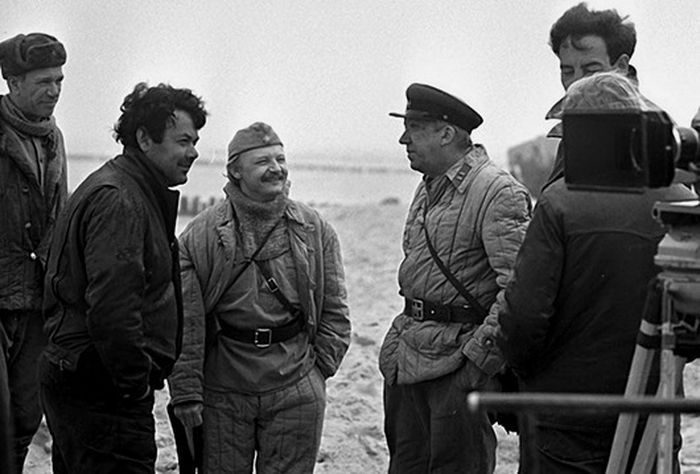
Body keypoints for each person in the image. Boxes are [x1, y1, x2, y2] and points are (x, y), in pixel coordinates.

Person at [496, 72, 697, 473]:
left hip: (567, 414)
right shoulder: (682, 202)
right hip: (654, 408)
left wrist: (522, 374)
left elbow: (523, 319)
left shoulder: (558, 204)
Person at [39, 82, 207, 473]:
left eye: (195, 142)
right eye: (183, 141)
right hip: (101, 390)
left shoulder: (126, 187)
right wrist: (134, 385)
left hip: (85, 379)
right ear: (144, 138)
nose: (194, 152)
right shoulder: (120, 199)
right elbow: (112, 309)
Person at [167, 121, 351, 473]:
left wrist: (317, 374)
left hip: (296, 387)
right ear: (236, 171)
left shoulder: (315, 229)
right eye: (263, 161)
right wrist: (187, 392)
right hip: (223, 392)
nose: (276, 168)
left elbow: (335, 311)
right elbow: (185, 321)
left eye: (280, 159)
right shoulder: (201, 235)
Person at [379, 83, 531, 473]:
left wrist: (476, 364)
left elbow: (518, 291)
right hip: (407, 359)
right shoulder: (429, 185)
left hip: (457, 364)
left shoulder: (497, 192)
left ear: (446, 133)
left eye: (414, 128)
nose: (403, 140)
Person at [0, 32, 67, 473]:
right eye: (44, 81)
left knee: (26, 416)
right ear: (14, 82)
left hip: (38, 303)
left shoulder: (53, 138)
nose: (54, 90)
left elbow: (61, 218)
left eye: (59, 80)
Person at [543, 2, 638, 188]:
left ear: (621, 66)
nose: (576, 83)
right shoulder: (573, 133)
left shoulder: (659, 137)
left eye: (591, 70)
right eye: (568, 71)